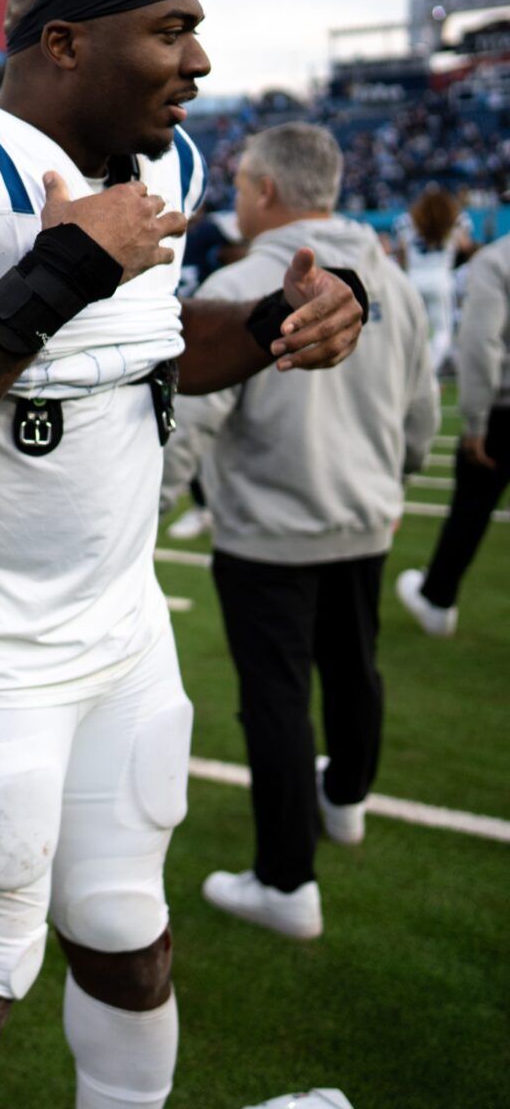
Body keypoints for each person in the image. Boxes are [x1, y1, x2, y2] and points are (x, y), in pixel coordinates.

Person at [0, 0, 366, 1108]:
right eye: (171, 33)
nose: (202, 61)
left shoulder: (163, 168)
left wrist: (297, 316)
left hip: (117, 627)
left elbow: (156, 349)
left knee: (129, 935)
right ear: (65, 45)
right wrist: (59, 269)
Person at [161, 123, 436, 939]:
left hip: (271, 528)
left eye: (242, 185)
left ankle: (287, 882)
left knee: (276, 698)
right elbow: (420, 411)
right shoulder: (394, 278)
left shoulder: (249, 280)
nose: (238, 200)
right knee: (355, 668)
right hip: (363, 516)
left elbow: (192, 421)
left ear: (268, 190)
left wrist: (144, 513)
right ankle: (345, 801)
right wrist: (398, 477)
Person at [397, 230, 510, 636]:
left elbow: (482, 341)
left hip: (503, 412)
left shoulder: (497, 260)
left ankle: (438, 599)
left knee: (471, 507)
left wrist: (476, 420)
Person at [389, 184, 476, 375]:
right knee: (442, 334)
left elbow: (401, 252)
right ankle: (426, 372)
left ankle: (411, 371)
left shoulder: (407, 221)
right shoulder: (456, 220)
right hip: (440, 280)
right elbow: (465, 245)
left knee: (411, 333)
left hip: (413, 280)